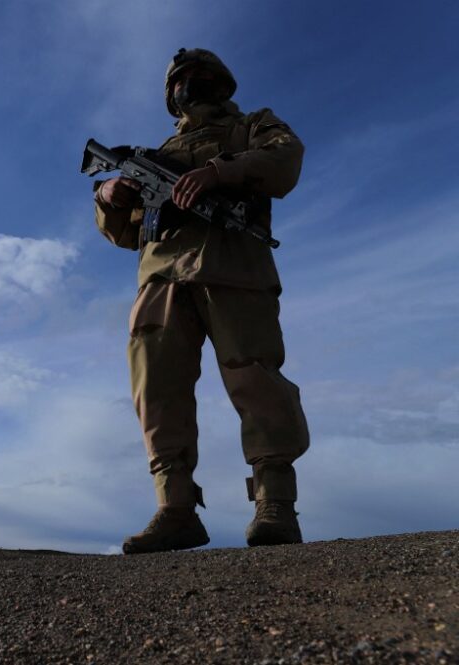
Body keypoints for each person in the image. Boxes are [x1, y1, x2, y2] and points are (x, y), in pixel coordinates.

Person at [93, 48, 309, 554]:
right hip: (162, 280)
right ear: (171, 94)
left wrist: (219, 173)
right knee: (158, 391)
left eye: (201, 76)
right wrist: (108, 197)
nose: (190, 85)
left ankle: (274, 502)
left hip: (235, 270)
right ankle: (175, 508)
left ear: (223, 83)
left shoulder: (251, 127)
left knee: (257, 381)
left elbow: (285, 160)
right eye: (181, 79)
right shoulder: (153, 154)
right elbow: (125, 235)